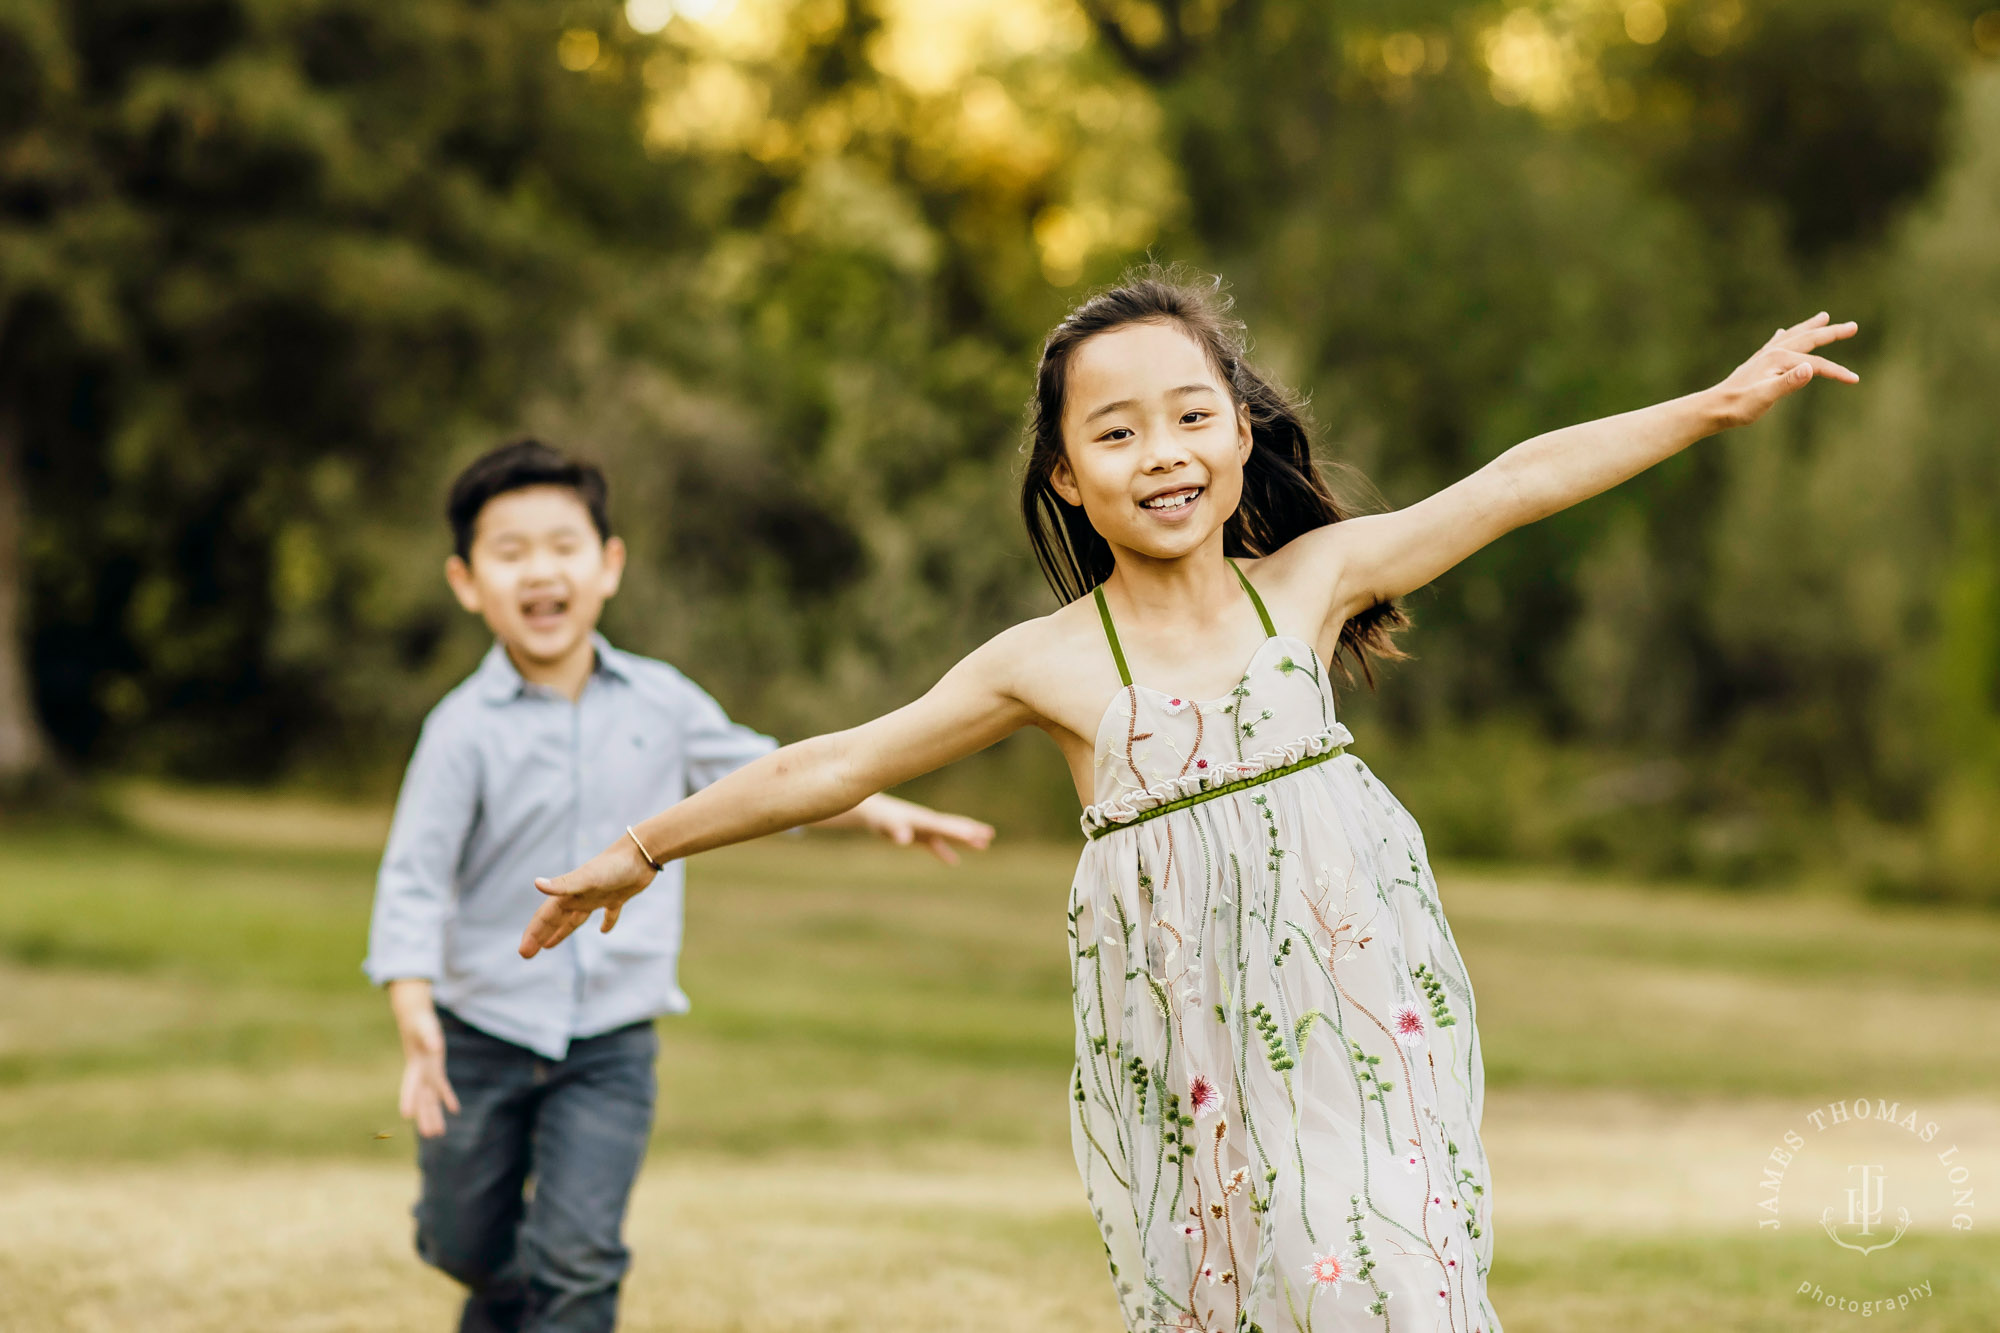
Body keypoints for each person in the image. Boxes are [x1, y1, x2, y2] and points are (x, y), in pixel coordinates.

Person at [516, 272, 1858, 1332]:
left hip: (1360, 1037)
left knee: (1392, 1273)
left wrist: (1708, 405)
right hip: (1200, 1063)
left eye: (1191, 415)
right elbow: (832, 762)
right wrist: (643, 846)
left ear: (1239, 433)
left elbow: (1511, 484)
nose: (1162, 452)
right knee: (1256, 1291)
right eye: (1117, 431)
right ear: (1064, 474)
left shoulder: (1310, 587)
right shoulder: (1045, 664)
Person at [362, 439, 993, 1333]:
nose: (540, 570)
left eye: (563, 545)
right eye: (510, 553)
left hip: (612, 1042)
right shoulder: (460, 730)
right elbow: (414, 880)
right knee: (465, 1245)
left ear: (608, 564)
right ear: (467, 581)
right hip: (481, 1031)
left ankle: (548, 1289)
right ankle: (504, 1291)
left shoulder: (662, 700)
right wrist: (414, 1010)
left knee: (577, 1260)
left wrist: (881, 807)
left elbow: (767, 776)